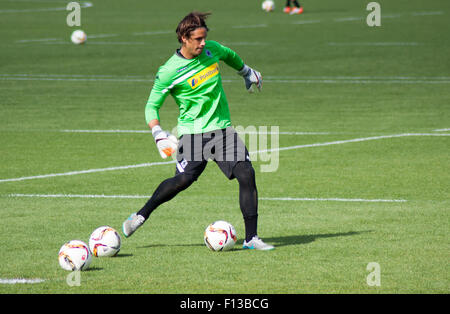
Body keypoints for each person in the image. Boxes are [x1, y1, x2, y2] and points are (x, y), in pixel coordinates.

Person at [122, 12, 274, 250]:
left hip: (222, 130)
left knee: (247, 174)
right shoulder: (169, 71)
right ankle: (141, 215)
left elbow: (230, 55)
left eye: (205, 38)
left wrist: (246, 71)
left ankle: (251, 239)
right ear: (184, 38)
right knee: (182, 180)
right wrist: (158, 133)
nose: (203, 43)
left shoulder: (212, 50)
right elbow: (151, 106)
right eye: (198, 39)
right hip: (192, 134)